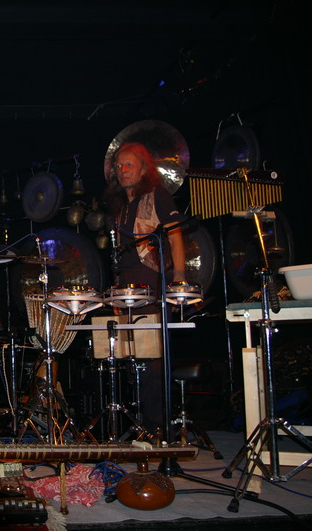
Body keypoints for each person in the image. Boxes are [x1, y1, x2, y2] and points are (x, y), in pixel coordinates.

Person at [104, 141, 186, 433]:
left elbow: (175, 236)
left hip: (151, 281)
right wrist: (116, 291)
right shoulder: (119, 207)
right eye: (119, 166)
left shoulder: (157, 195)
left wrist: (178, 277)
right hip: (127, 287)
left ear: (143, 169)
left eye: (129, 164)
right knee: (132, 357)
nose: (123, 170)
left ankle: (158, 427)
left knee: (152, 357)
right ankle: (138, 424)